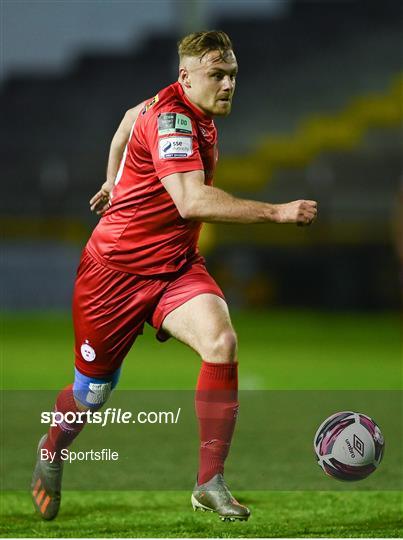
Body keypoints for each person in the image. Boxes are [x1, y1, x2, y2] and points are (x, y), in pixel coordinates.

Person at [31, 30, 317, 522]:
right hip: (114, 277)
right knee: (91, 395)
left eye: (232, 75)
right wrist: (276, 213)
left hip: (176, 267)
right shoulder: (173, 121)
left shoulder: (173, 108)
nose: (228, 84)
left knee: (221, 341)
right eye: (216, 75)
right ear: (186, 76)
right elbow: (191, 200)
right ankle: (52, 447)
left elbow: (125, 123)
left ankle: (209, 481)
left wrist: (111, 178)